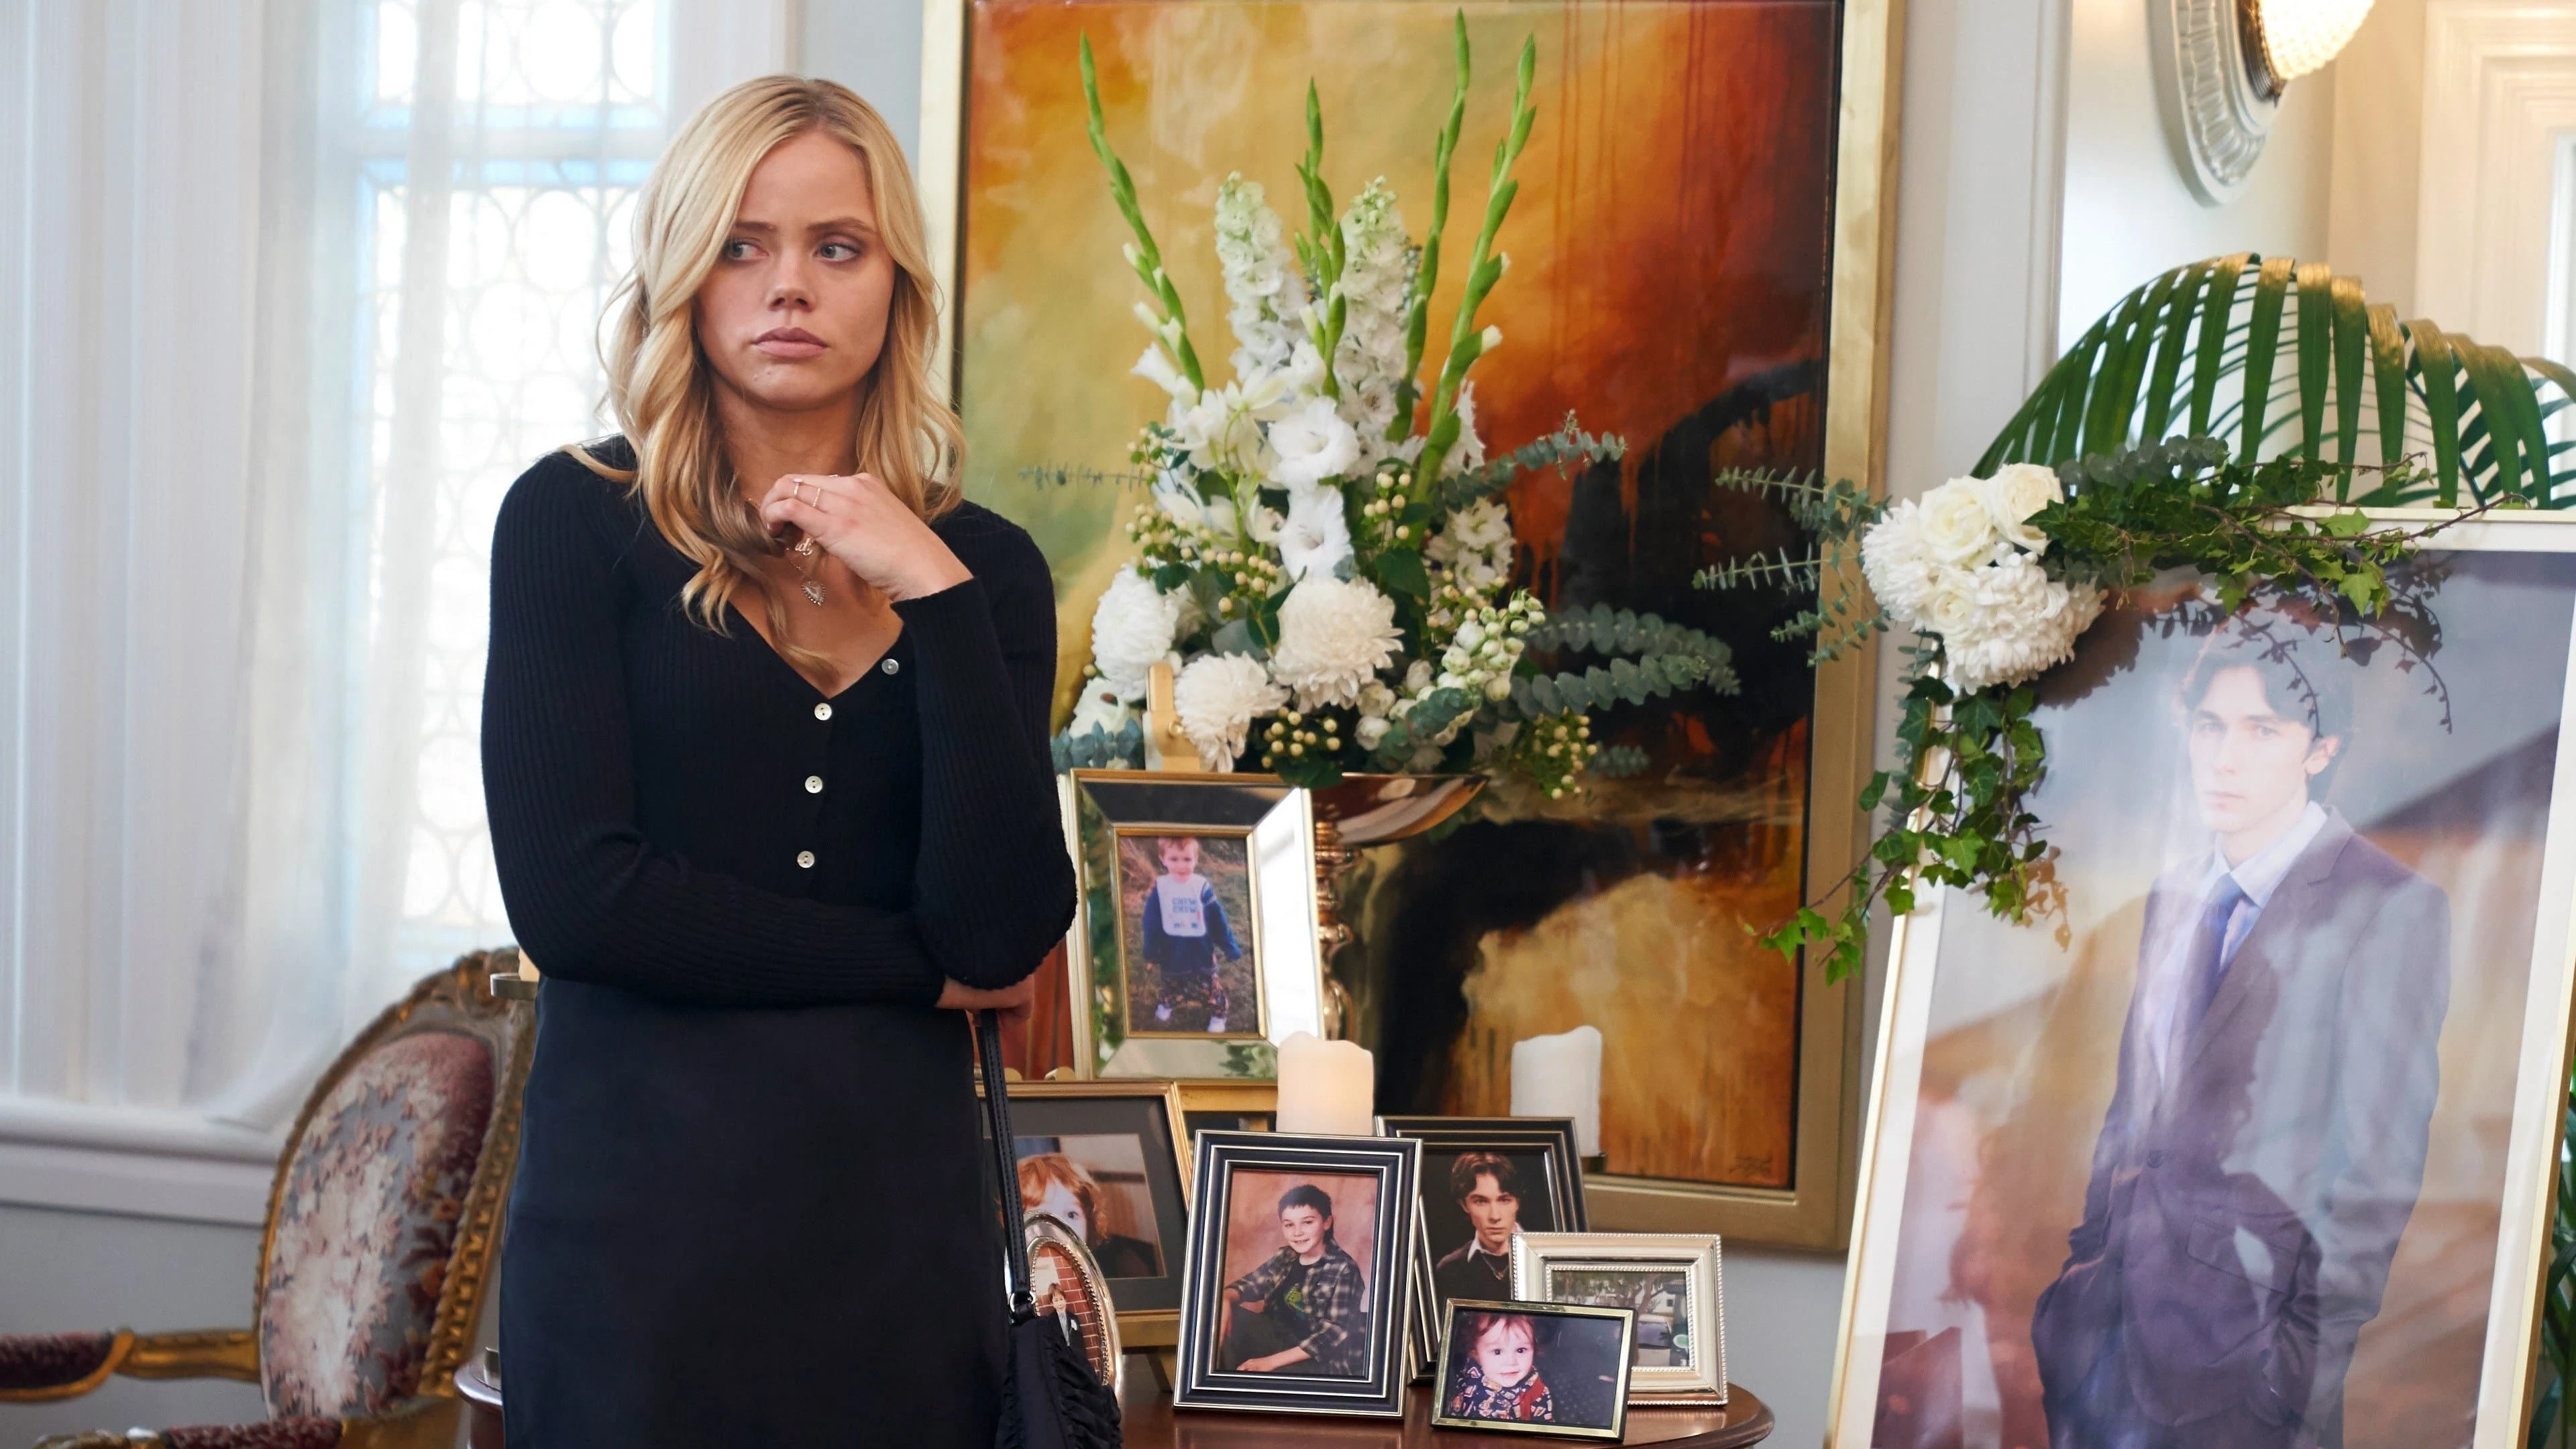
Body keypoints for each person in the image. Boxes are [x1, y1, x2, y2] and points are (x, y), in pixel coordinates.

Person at [480, 76, 1075, 1447]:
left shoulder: (982, 571)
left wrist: (931, 595)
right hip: (638, 1250)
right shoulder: (573, 520)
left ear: (896, 285)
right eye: (742, 245)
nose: (788, 285)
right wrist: (915, 970)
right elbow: (578, 905)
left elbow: (998, 930)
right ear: (684, 277)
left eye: (837, 247)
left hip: (901, 1251)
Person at [2029, 619, 2452, 1449]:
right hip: (2101, 1343)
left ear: (2321, 749)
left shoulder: (2390, 908)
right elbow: (2134, 1109)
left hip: (2246, 1380)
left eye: (2263, 731)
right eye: (2210, 726)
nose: (2226, 758)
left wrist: (2290, 1377)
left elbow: (2376, 1175)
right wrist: (2086, 1267)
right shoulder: (2174, 893)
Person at [1217, 1183, 1371, 1377]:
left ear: (1327, 1222)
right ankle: (1221, 1382)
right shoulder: (1285, 1256)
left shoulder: (1344, 1269)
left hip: (1315, 1360)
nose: (1297, 1232)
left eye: (1307, 1222)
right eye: (1289, 1224)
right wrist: (1225, 1299)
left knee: (1259, 1369)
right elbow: (1248, 1285)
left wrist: (1269, 1362)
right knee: (1217, 1312)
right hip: (1278, 1338)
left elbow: (1331, 1336)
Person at [1138, 835, 1242, 1032]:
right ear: (1163, 859)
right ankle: (1167, 1003)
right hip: (1172, 952)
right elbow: (1151, 925)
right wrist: (1151, 954)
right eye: (1174, 859)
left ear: (1196, 860)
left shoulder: (1201, 887)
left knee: (1209, 987)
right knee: (1171, 983)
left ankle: (1218, 1014)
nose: (1181, 865)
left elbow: (1218, 920)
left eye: (1187, 859)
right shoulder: (1161, 889)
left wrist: (1230, 947)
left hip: (1201, 951)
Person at [1017, 1150, 1164, 1278]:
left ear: (1089, 1223)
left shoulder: (1121, 1266)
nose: (1060, 1229)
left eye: (1071, 1215)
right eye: (1043, 1216)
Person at [1432, 1152, 1525, 1307]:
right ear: (1464, 1205)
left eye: (1504, 1200)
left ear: (1518, 1202)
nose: (1495, 1216)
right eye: (1481, 1202)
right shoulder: (1450, 1269)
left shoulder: (1550, 1259)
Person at [1445, 1312, 1556, 1423]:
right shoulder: (1480, 1401)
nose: (1511, 1362)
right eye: (1497, 1352)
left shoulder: (1531, 1378)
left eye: (1520, 1350)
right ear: (1476, 1354)